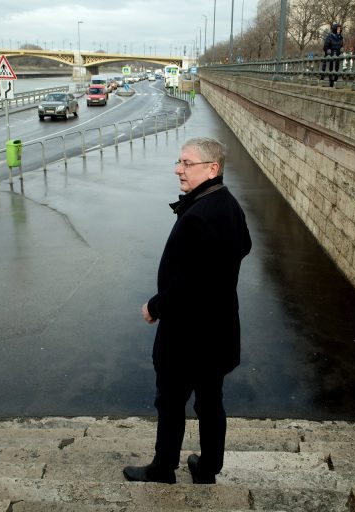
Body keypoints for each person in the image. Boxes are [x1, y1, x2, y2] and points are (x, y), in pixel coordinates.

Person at [123, 137, 252, 485]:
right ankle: (208, 467)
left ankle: (163, 469)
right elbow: (245, 245)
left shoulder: (200, 214)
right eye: (178, 162)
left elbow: (188, 285)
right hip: (220, 328)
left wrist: (155, 306)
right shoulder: (228, 204)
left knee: (170, 402)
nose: (179, 169)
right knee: (210, 402)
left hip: (186, 335)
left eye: (187, 163)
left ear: (212, 168)